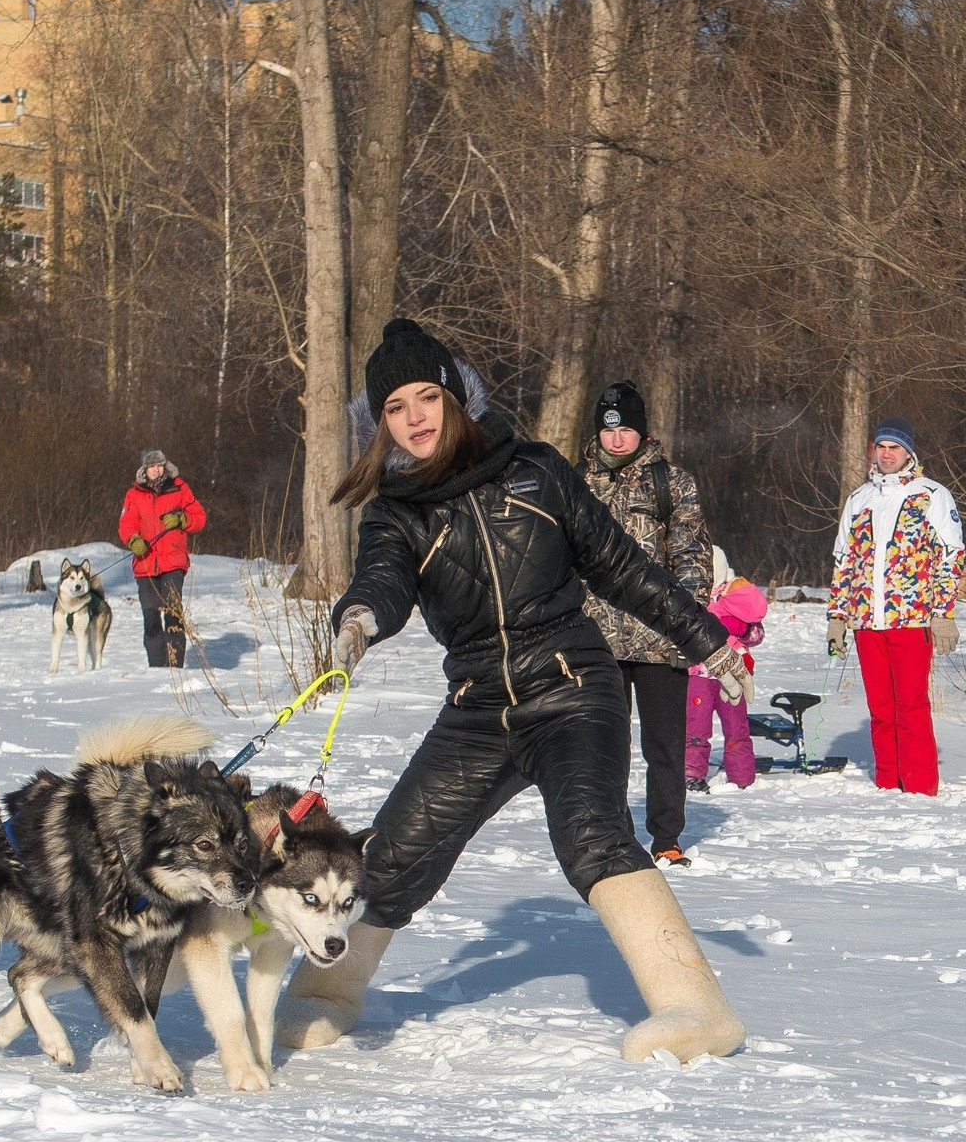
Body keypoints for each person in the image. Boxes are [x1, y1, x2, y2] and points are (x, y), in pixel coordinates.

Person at [276, 318, 751, 1066]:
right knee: (394, 850)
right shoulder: (396, 512)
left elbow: (622, 568)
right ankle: (324, 994)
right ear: (381, 422)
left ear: (455, 395)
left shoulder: (536, 470)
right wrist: (361, 615)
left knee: (590, 832)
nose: (415, 418)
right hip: (477, 708)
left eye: (426, 397)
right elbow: (384, 578)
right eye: (396, 408)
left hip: (572, 685)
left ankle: (696, 1006)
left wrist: (707, 638)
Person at [575, 381, 711, 864]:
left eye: (626, 429)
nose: (616, 439)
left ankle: (667, 838)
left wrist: (687, 620)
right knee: (604, 746)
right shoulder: (576, 483)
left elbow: (692, 556)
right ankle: (616, 836)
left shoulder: (672, 483)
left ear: (642, 432)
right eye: (609, 429)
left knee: (665, 746)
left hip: (659, 639)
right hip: (596, 640)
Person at [828, 417, 964, 795]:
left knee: (911, 705)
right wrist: (838, 618)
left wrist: (943, 613)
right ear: (874, 450)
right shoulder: (859, 499)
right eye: (882, 447)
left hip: (911, 617)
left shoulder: (931, 493)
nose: (887, 454)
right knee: (881, 709)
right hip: (866, 621)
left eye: (895, 448)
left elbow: (951, 555)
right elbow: (843, 561)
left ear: (909, 453)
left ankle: (919, 787)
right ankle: (888, 782)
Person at [117, 448, 207, 668]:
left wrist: (182, 520)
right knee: (151, 618)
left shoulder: (179, 488)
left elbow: (200, 517)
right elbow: (126, 524)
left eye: (160, 466)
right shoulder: (134, 495)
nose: (157, 470)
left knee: (173, 615)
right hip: (145, 564)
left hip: (173, 562)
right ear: (144, 470)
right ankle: (157, 669)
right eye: (152, 467)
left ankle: (175, 668)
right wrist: (133, 540)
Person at [687, 578, 767, 792]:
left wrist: (742, 629)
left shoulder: (734, 596)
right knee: (696, 727)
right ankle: (692, 774)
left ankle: (742, 776)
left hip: (734, 674)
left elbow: (757, 635)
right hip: (698, 674)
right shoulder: (691, 592)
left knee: (737, 727)